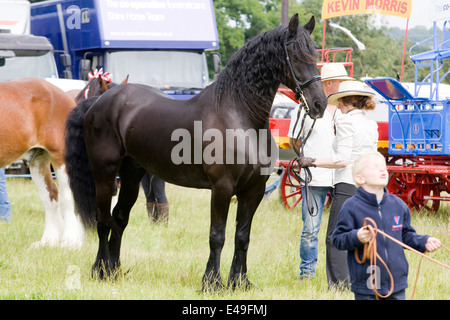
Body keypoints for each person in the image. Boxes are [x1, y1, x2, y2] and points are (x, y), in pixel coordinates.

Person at [297, 80, 379, 289]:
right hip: (366, 187)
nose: (339, 105)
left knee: (336, 237)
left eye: (340, 101)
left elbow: (342, 160)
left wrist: (312, 161)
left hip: (346, 185)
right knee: (359, 235)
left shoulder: (345, 122)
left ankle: (339, 285)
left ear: (346, 101)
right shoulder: (371, 125)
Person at [332, 151, 442, 300]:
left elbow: (405, 235)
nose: (382, 170)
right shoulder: (351, 206)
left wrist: (424, 241)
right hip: (367, 284)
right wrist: (356, 236)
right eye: (375, 167)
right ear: (360, 178)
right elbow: (338, 239)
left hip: (396, 282)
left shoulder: (398, 204)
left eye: (383, 166)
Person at [288, 63, 352, 280]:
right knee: (310, 230)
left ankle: (339, 274)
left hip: (342, 177)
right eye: (341, 81)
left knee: (342, 229)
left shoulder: (347, 109)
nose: (344, 84)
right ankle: (307, 274)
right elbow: (293, 140)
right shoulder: (305, 108)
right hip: (315, 176)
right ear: (330, 83)